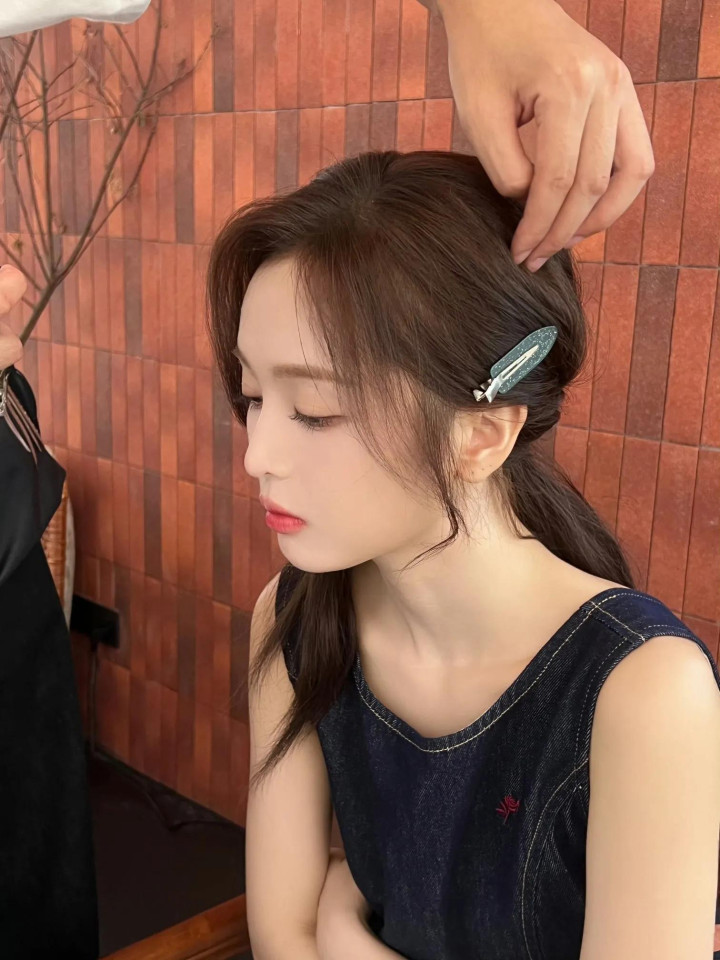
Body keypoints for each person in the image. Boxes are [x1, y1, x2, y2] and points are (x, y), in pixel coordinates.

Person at [206, 149, 720, 960]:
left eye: (314, 410)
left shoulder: (645, 692)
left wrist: (343, 936)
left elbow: (311, 933)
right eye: (254, 397)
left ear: (480, 434)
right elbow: (280, 937)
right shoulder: (298, 620)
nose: (256, 455)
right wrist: (314, 932)